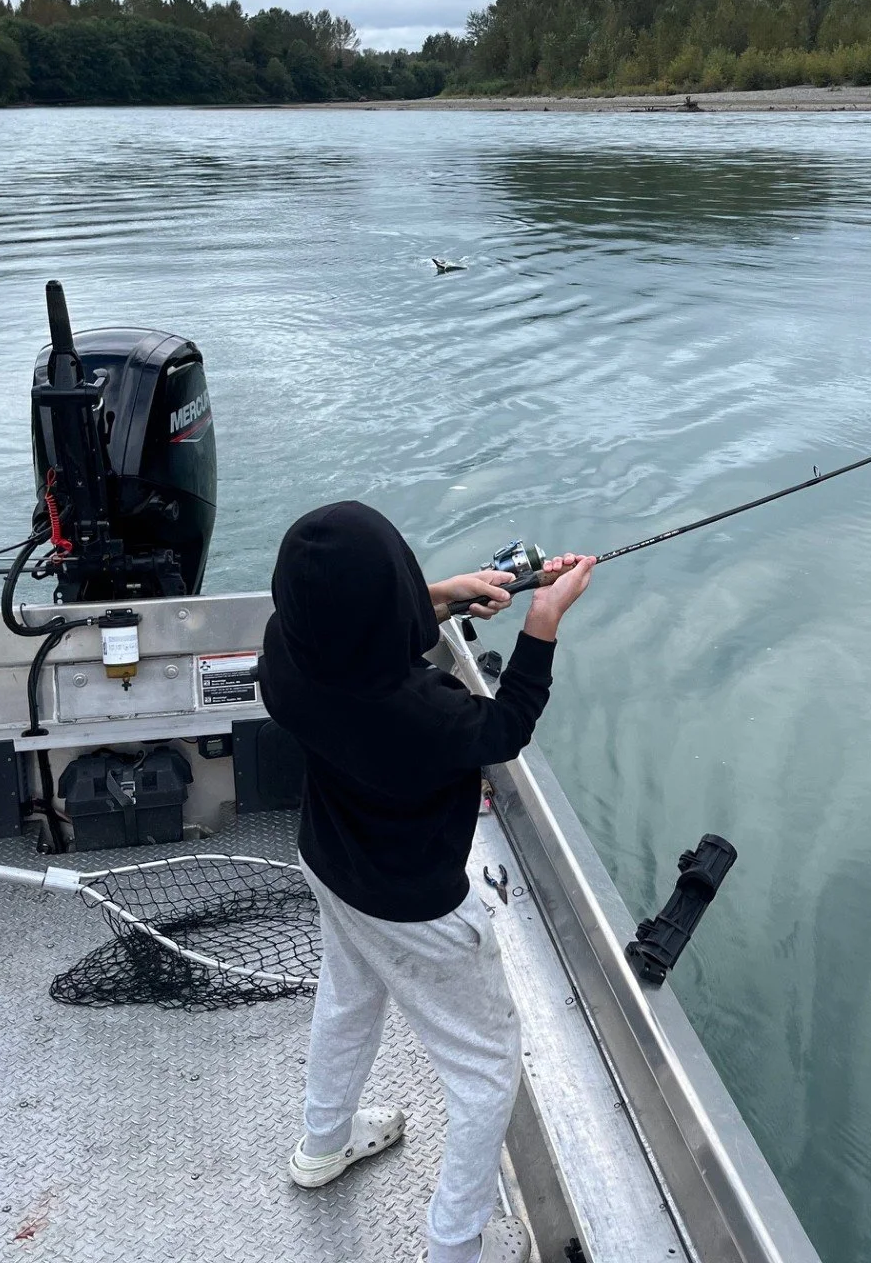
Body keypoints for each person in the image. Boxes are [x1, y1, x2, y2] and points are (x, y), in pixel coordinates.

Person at [259, 500, 595, 1263]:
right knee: (486, 1069)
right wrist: (543, 621)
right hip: (415, 908)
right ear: (389, 606)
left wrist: (445, 594)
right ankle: (453, 1246)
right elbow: (502, 728)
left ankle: (324, 1142)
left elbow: (353, 640)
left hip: (331, 865)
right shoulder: (424, 712)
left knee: (347, 999)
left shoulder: (285, 651)